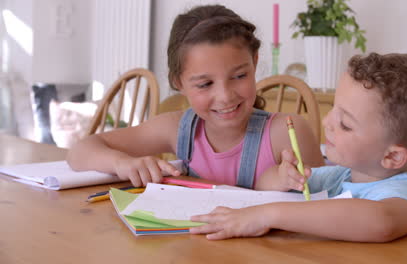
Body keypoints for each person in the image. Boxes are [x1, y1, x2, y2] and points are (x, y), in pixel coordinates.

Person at [190, 52, 407, 242]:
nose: (327, 122)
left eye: (346, 124)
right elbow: (263, 184)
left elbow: (380, 222)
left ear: (392, 156)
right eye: (333, 111)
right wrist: (281, 177)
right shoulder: (338, 177)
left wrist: (267, 215)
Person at [66, 4, 324, 189]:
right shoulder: (176, 128)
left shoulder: (287, 132)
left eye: (239, 76)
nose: (224, 96)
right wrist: (122, 163)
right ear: (179, 82)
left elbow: (329, 202)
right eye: (205, 84)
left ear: (254, 63)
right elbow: (80, 151)